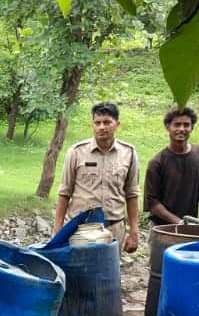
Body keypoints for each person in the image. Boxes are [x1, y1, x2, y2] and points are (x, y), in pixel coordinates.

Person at [53, 102, 140, 253]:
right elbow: (64, 192)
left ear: (117, 124)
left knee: (109, 274)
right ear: (92, 124)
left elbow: (132, 194)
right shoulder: (76, 152)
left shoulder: (129, 153)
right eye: (97, 123)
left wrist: (134, 231)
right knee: (77, 273)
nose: (102, 127)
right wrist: (57, 230)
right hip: (80, 229)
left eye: (107, 122)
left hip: (113, 228)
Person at [144, 105, 199, 226]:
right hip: (162, 228)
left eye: (186, 125)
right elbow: (152, 203)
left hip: (190, 229)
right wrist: (180, 223)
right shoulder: (157, 162)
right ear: (168, 127)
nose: (182, 129)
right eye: (177, 124)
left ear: (192, 127)